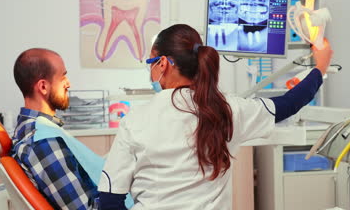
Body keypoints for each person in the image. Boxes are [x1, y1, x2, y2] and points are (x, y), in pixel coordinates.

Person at [98, 24, 333, 209]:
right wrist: (320, 66)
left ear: (162, 64)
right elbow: (288, 104)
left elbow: (109, 200)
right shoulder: (226, 110)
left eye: (149, 62)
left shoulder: (135, 120)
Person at [11, 48, 99, 209]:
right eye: (63, 76)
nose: (68, 83)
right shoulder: (42, 142)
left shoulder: (34, 128)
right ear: (43, 86)